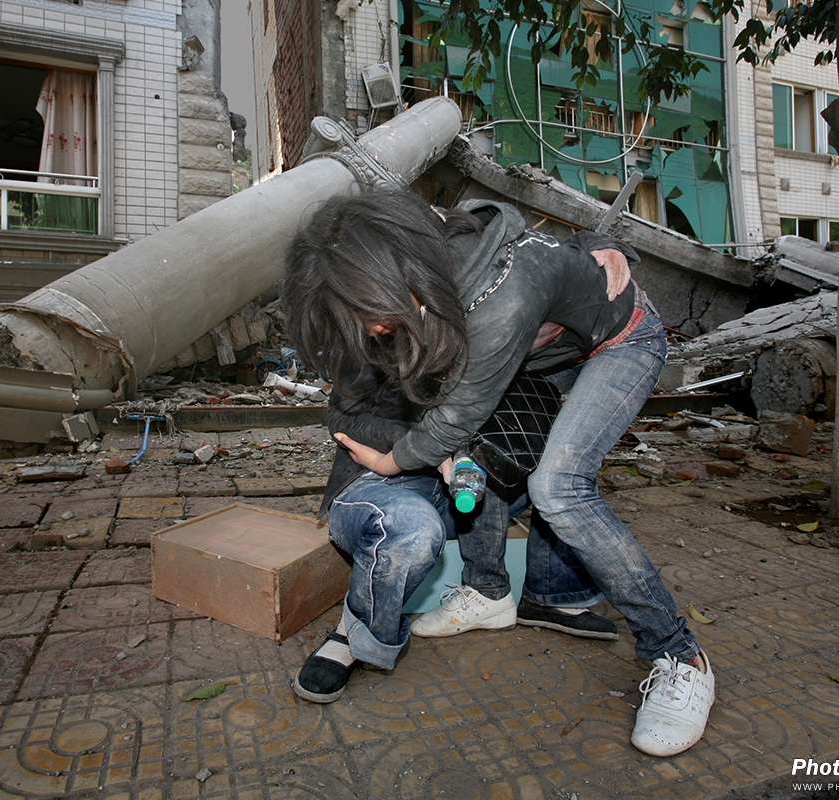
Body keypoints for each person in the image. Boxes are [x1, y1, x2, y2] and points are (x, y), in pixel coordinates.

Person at [283, 189, 713, 758]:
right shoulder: (419, 266)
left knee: (557, 486)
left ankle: (678, 653)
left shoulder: (496, 295)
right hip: (544, 357)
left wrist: (395, 461)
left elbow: (453, 417)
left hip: (617, 342)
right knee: (480, 459)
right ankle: (489, 593)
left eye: (374, 317)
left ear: (398, 274)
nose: (373, 333)